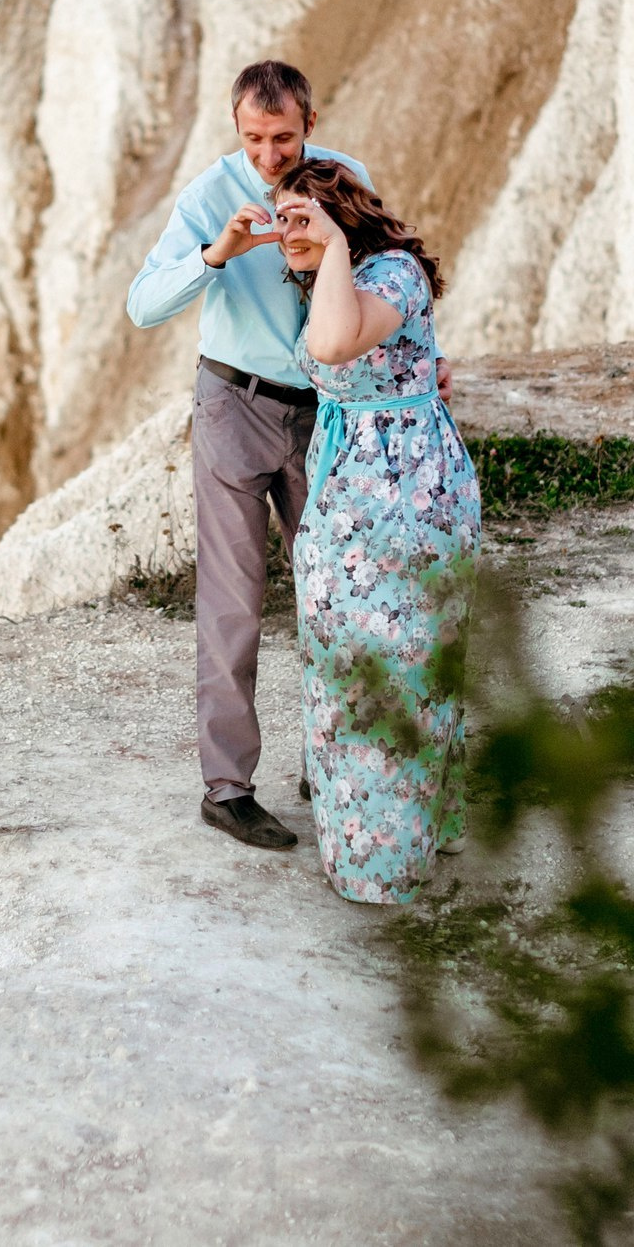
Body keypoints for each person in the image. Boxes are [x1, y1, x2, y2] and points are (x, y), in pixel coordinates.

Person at [125, 61, 392, 852]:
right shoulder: (209, 195)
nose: (270, 154)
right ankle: (229, 789)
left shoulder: (347, 178)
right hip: (232, 402)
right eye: (254, 139)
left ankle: (333, 755)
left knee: (337, 591)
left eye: (283, 137)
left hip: (326, 412)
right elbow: (142, 304)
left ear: (310, 120)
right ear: (235, 128)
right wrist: (219, 251)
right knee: (234, 602)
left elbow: (389, 271)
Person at [270, 158, 480, 904]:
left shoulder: (391, 273)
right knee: (343, 670)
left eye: (302, 216)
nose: (285, 231)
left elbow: (334, 346)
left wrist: (326, 248)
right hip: (344, 502)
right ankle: (360, 842)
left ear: (339, 214)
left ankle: (390, 858)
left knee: (406, 664)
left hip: (407, 500)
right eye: (280, 218)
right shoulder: (336, 273)